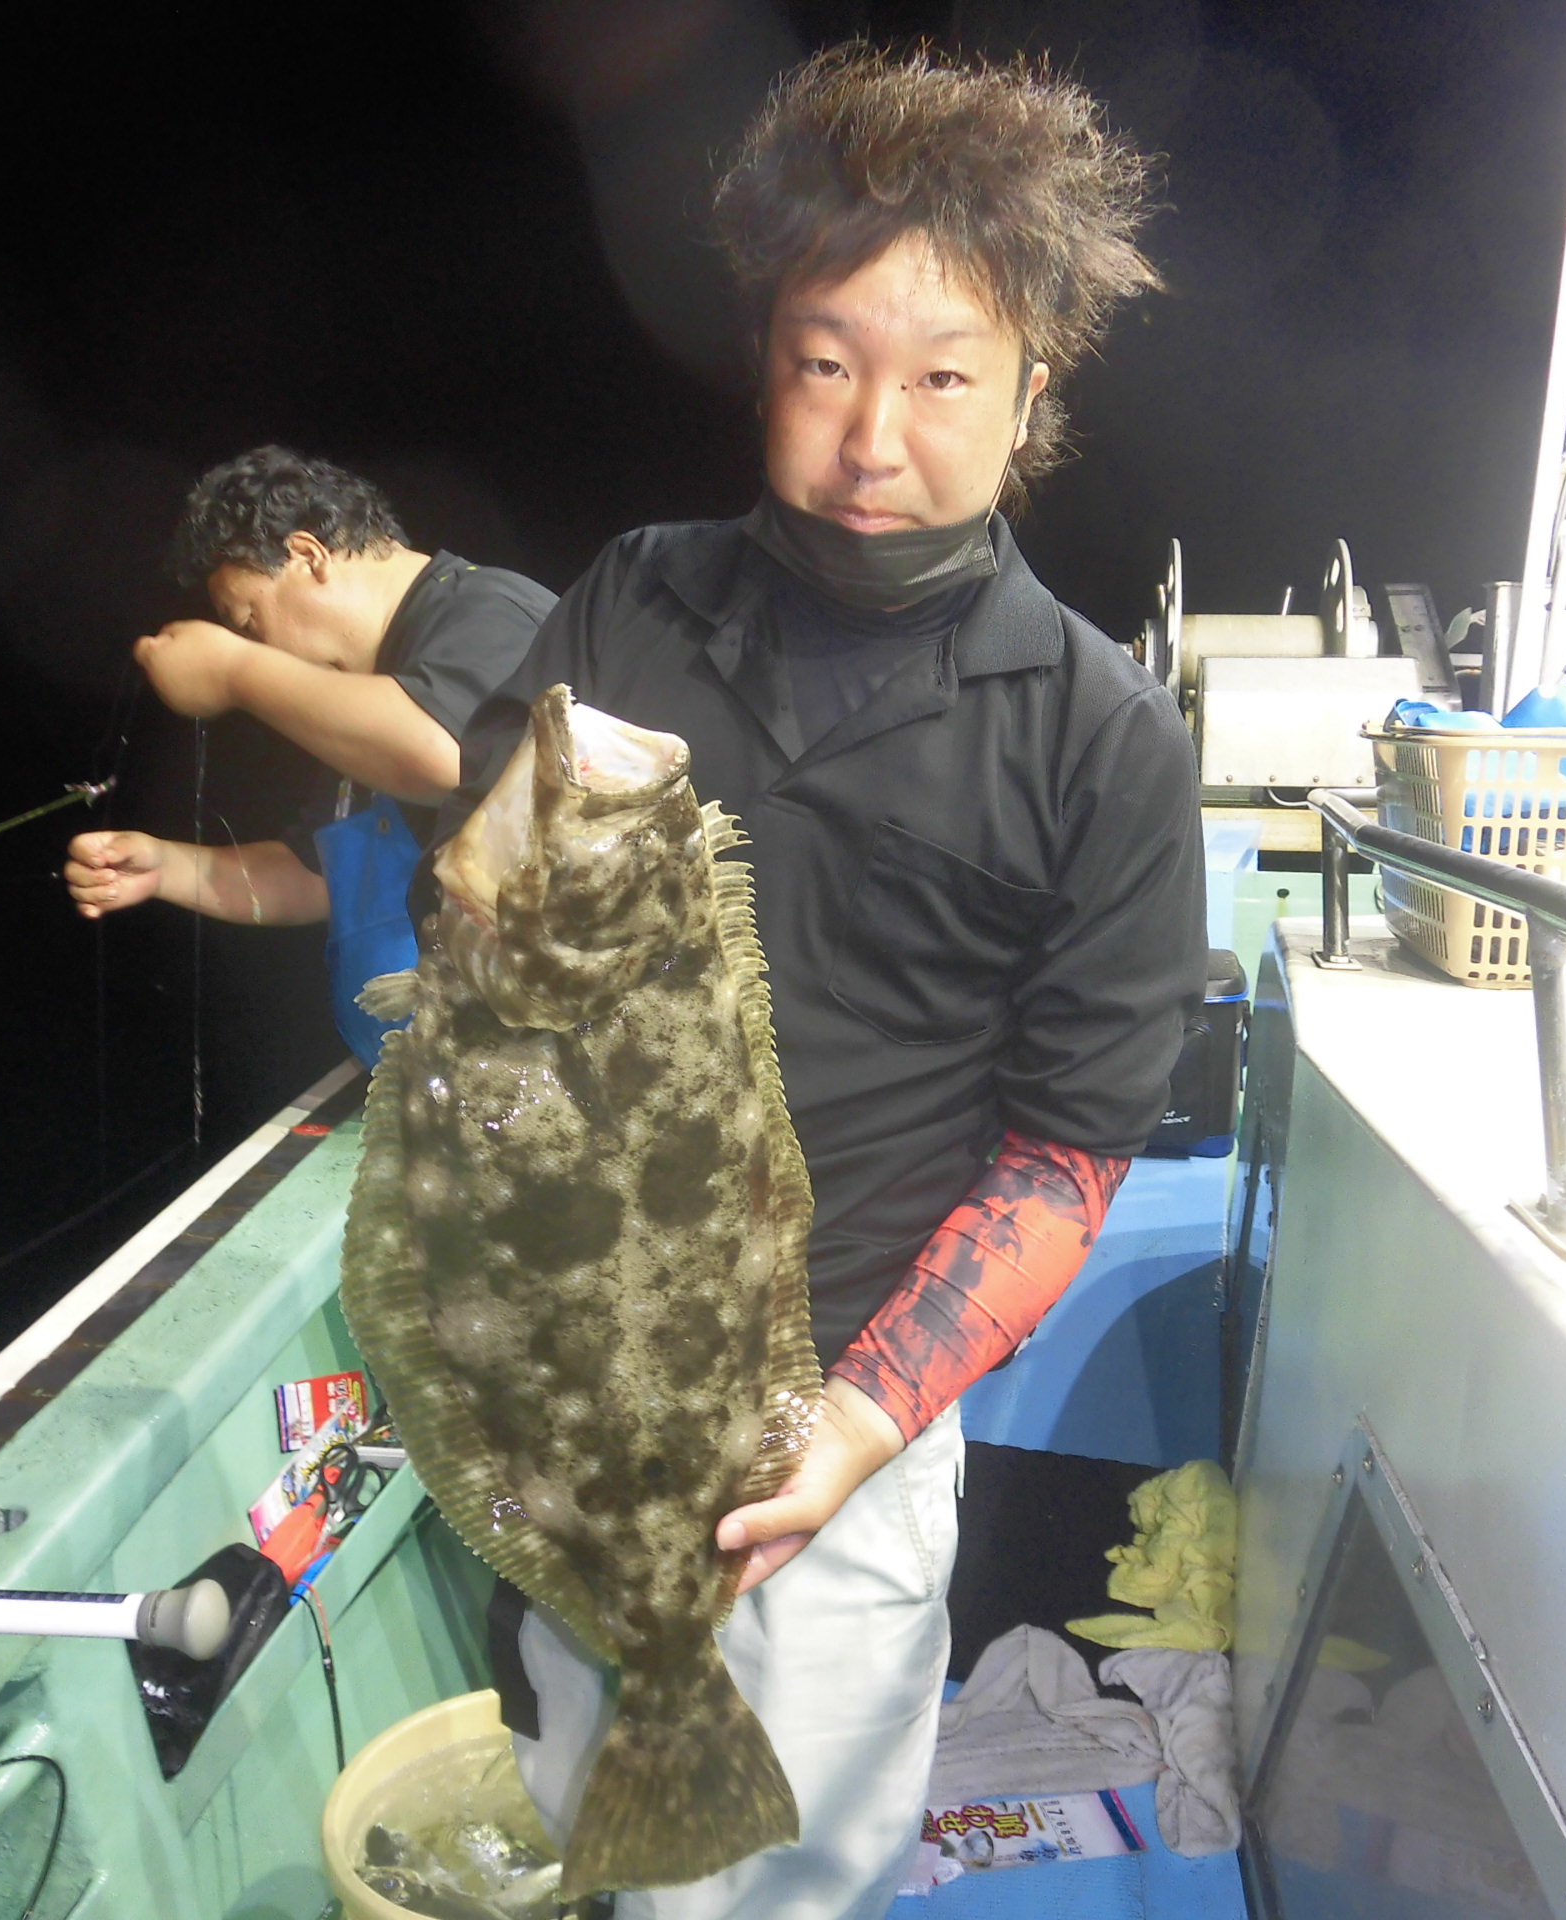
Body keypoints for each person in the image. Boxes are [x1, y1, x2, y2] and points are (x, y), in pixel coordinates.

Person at [434, 47, 1201, 1918]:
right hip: (581, 1386)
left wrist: (852, 1431)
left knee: (781, 1881)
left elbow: (1067, 1154)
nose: (873, 439)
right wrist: (513, 843)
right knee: (583, 1802)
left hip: (832, 1435)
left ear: (1032, 390)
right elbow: (479, 911)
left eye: (942, 377)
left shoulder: (1099, 735)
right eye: (826, 363)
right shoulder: (634, 594)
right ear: (764, 359)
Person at [65, 448, 553, 1058]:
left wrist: (236, 670)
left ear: (307, 554)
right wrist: (164, 867)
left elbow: (444, 756)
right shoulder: (367, 702)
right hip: (437, 1077)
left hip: (550, 1063)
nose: (257, 647)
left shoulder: (484, 610)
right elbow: (314, 877)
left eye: (248, 622)